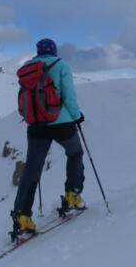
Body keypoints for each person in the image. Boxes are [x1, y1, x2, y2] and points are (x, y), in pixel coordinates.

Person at [11, 38, 85, 236]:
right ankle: (72, 195)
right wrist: (77, 116)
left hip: (35, 125)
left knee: (32, 170)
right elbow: (69, 94)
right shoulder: (61, 65)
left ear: (38, 51)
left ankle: (22, 215)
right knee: (75, 153)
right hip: (61, 122)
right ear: (54, 51)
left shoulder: (27, 68)